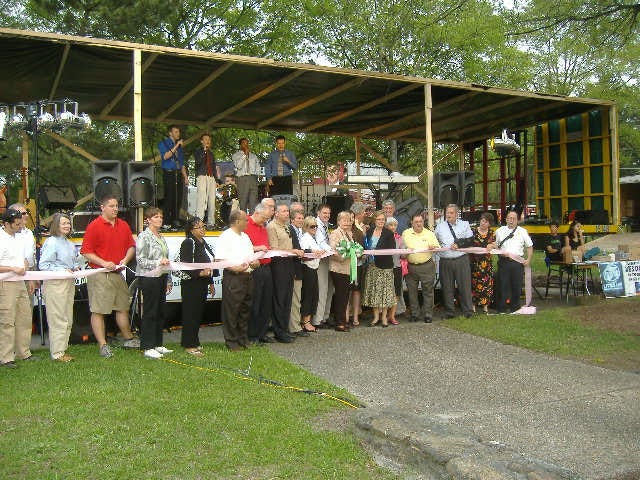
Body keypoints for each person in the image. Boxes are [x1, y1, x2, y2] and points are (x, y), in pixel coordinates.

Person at [80, 194, 139, 357]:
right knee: (99, 310)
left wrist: (125, 259)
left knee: (122, 307)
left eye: (116, 206)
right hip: (99, 274)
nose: (115, 209)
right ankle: (103, 345)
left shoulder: (123, 225)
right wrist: (103, 262)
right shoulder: (94, 226)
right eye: (112, 206)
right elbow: (86, 251)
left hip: (118, 273)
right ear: (102, 208)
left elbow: (131, 246)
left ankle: (128, 338)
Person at [215, 210, 259, 351]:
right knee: (232, 310)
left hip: (248, 276)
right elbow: (219, 260)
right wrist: (235, 268)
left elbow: (252, 256)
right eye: (245, 220)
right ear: (237, 221)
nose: (248, 222)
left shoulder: (245, 237)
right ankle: (231, 341)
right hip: (234, 278)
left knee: (245, 309)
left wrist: (255, 263)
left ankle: (242, 338)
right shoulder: (226, 236)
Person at [39, 213, 79, 362]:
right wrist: (62, 271)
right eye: (63, 223)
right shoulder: (51, 242)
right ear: (56, 225)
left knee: (67, 318)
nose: (67, 225)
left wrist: (75, 268)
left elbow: (72, 264)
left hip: (68, 283)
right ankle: (57, 353)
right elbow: (44, 265)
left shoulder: (69, 243)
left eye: (68, 223)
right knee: (58, 318)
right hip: (55, 284)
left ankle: (63, 349)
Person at [135, 207, 173, 359]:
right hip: (149, 277)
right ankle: (147, 345)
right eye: (156, 217)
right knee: (150, 310)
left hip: (161, 276)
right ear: (148, 220)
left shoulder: (161, 236)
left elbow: (167, 260)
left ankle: (158, 343)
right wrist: (158, 262)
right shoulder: (144, 236)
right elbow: (140, 259)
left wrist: (168, 278)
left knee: (160, 310)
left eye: (161, 217)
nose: (159, 219)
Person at [0, 208, 34, 368]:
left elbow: (24, 258)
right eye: (17, 224)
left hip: (20, 281)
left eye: (21, 223)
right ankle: (6, 357)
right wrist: (12, 269)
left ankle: (24, 352)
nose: (20, 226)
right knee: (7, 319)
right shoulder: (1, 238)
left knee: (24, 317)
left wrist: (24, 266)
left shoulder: (20, 237)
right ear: (6, 224)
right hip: (6, 283)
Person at [267, 203, 304, 342]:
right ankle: (278, 331)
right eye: (283, 211)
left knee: (288, 299)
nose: (287, 213)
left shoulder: (287, 226)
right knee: (280, 299)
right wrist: (293, 251)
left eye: (287, 211)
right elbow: (274, 249)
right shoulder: (272, 227)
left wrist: (296, 251)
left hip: (289, 264)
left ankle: (284, 328)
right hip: (278, 265)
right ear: (276, 213)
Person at [179, 217, 215, 356]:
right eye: (199, 227)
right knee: (190, 313)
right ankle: (189, 345)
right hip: (191, 284)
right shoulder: (188, 242)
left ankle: (194, 340)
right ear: (191, 230)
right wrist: (200, 273)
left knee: (198, 313)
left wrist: (210, 281)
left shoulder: (204, 243)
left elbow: (210, 262)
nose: (203, 229)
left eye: (203, 226)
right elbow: (185, 264)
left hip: (202, 283)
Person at [434, 204, 474, 319]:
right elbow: (435, 240)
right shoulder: (440, 226)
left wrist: (459, 244)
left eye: (451, 213)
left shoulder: (465, 224)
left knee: (465, 286)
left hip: (461, 259)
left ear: (457, 214)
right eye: (447, 213)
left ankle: (468, 311)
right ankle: (450, 311)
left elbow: (470, 240)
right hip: (445, 260)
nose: (449, 215)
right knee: (447, 287)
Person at [490, 210, 534, 314]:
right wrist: (495, 248)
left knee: (516, 285)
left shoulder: (522, 231)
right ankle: (502, 307)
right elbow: (495, 244)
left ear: (517, 220)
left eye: (514, 218)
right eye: (509, 218)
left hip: (517, 262)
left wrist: (528, 259)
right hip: (504, 261)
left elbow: (530, 246)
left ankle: (515, 307)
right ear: (506, 219)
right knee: (503, 284)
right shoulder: (499, 231)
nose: (511, 220)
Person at [244, 203, 274, 344]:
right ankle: (252, 334)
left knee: (266, 302)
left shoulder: (263, 227)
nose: (265, 221)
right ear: (257, 213)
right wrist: (257, 248)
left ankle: (262, 332)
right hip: (255, 268)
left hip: (266, 266)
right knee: (255, 302)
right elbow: (243, 247)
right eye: (264, 218)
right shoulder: (246, 225)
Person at [401, 213, 440, 323]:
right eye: (416, 222)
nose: (419, 223)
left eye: (420, 221)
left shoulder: (429, 234)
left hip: (426, 266)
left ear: (423, 222)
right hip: (410, 267)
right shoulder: (406, 233)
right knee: (412, 292)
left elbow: (437, 247)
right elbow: (401, 249)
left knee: (428, 291)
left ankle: (428, 314)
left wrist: (434, 247)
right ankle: (415, 314)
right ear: (412, 223)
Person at [362, 211, 396, 327]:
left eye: (383, 219)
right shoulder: (370, 231)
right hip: (372, 266)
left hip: (385, 267)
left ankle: (384, 318)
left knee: (385, 293)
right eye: (379, 219)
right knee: (374, 292)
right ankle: (376, 317)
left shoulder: (388, 233)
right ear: (374, 220)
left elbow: (392, 249)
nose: (381, 221)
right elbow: (366, 246)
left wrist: (378, 252)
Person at [329, 211, 359, 332]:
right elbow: (333, 251)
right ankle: (339, 323)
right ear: (338, 222)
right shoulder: (335, 234)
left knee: (345, 296)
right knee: (341, 296)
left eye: (349, 220)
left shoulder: (349, 234)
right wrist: (346, 255)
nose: (347, 223)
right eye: (344, 220)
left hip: (347, 269)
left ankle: (343, 320)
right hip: (338, 268)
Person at [158, 125, 188, 228]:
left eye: (178, 132)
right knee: (169, 197)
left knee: (178, 197)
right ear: (170, 133)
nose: (178, 134)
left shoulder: (179, 147)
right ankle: (166, 221)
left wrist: (185, 176)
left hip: (178, 173)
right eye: (175, 132)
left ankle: (175, 220)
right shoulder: (164, 143)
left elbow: (182, 162)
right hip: (168, 172)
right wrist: (176, 146)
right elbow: (166, 156)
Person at [299, 216, 323, 332]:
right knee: (308, 295)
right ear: (306, 227)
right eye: (312, 226)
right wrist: (314, 253)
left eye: (316, 226)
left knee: (313, 295)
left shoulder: (313, 238)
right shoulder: (305, 238)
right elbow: (303, 256)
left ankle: (307, 319)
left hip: (314, 268)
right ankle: (306, 321)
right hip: (307, 269)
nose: (315, 228)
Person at [193, 133, 221, 229]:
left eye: (209, 139)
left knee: (212, 200)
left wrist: (216, 180)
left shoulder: (211, 153)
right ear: (201, 141)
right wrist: (204, 151)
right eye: (205, 139)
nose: (208, 141)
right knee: (202, 199)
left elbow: (213, 167)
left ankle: (211, 222)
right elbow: (198, 162)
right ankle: (199, 222)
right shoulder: (198, 151)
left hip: (211, 177)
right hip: (202, 176)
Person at [470, 212, 495, 314]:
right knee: (473, 284)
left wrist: (492, 245)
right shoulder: (473, 232)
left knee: (486, 285)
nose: (483, 223)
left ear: (489, 224)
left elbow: (497, 244)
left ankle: (485, 307)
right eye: (482, 220)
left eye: (486, 222)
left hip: (486, 264)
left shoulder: (491, 233)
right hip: (474, 263)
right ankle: (473, 307)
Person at [313, 204, 333, 328]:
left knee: (330, 289)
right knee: (322, 289)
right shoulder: (315, 224)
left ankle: (325, 316)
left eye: (329, 213)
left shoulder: (326, 225)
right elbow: (320, 242)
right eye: (324, 213)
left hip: (329, 258)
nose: (327, 215)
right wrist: (332, 250)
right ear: (318, 213)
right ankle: (318, 319)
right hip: (320, 260)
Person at [288, 210, 308, 337]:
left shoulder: (300, 231)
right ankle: (294, 327)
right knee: (295, 299)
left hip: (299, 268)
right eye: (298, 218)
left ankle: (295, 325)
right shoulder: (291, 230)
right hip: (294, 268)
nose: (301, 220)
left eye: (302, 218)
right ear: (292, 220)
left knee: (297, 298)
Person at [232, 137, 261, 212]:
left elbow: (257, 166)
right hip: (242, 179)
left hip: (253, 178)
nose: (246, 145)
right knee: (243, 201)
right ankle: (243, 221)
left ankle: (252, 221)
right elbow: (238, 166)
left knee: (253, 202)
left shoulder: (253, 156)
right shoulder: (236, 155)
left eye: (247, 143)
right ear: (240, 145)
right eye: (244, 143)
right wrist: (245, 155)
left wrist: (259, 174)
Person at [385, 217, 404, 325]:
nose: (392, 227)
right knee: (386, 292)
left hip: (397, 267)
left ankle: (392, 316)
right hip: (385, 268)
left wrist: (407, 252)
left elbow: (403, 253)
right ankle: (384, 315)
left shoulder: (399, 238)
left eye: (394, 225)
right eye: (390, 225)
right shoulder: (383, 236)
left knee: (396, 292)